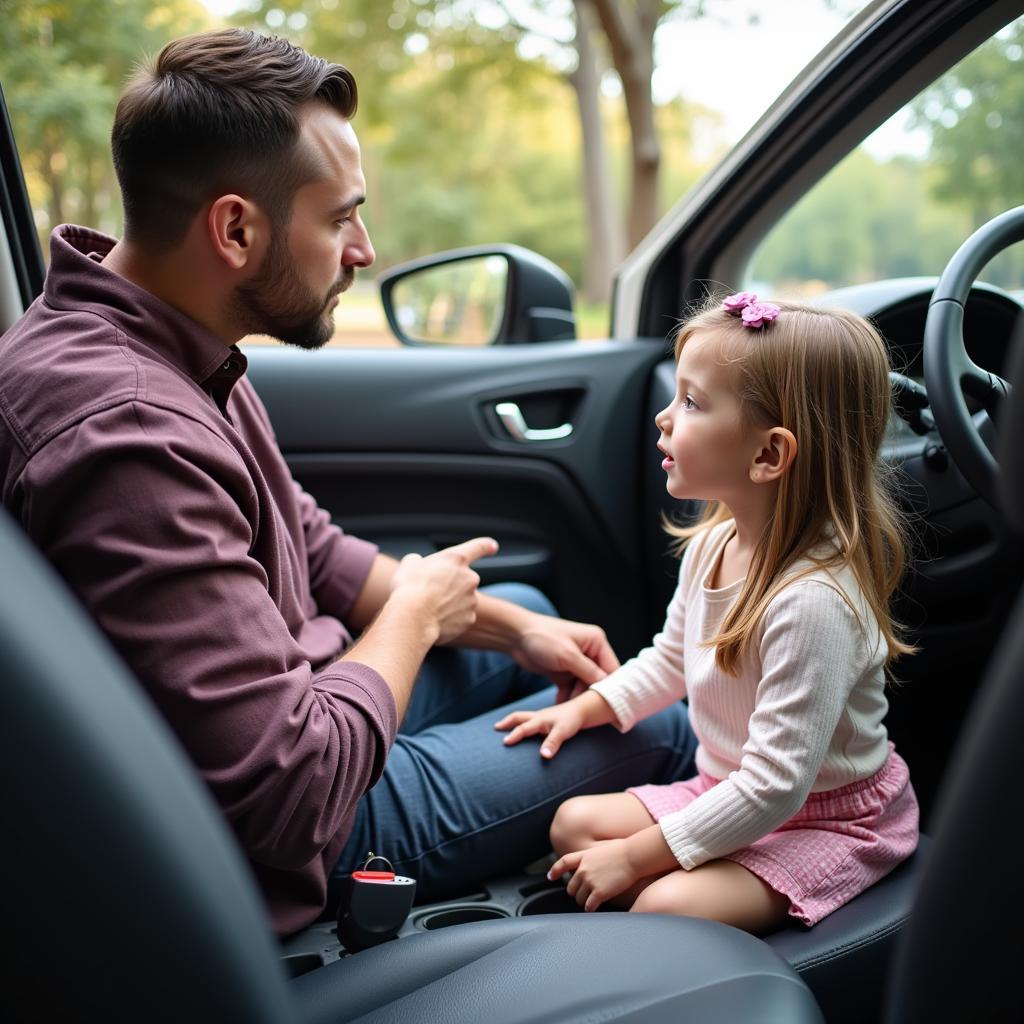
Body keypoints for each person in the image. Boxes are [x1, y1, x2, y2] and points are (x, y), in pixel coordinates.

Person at [0, 28, 698, 936]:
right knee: (654, 727)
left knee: (529, 610)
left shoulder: (160, 346)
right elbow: (292, 792)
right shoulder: (129, 436)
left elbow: (310, 546)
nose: (364, 249)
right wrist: (413, 612)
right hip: (297, 831)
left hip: (312, 700)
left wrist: (508, 625)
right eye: (339, 219)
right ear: (236, 229)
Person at [498, 292, 920, 934]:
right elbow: (672, 657)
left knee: (664, 906)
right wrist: (587, 707)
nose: (665, 419)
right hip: (727, 789)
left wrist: (638, 857)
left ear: (769, 455)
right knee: (575, 826)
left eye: (692, 403)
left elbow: (776, 786)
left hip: (827, 817)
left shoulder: (813, 602)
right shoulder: (717, 543)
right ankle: (684, 875)